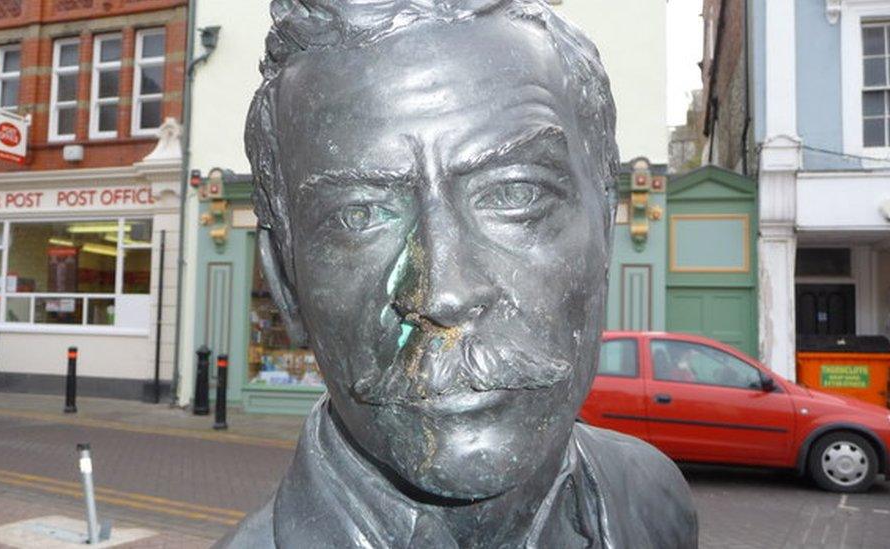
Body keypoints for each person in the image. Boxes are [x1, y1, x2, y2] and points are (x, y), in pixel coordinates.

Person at [219, 1, 698, 547]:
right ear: (285, 283)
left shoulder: (652, 496)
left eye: (516, 193)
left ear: (605, 229)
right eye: (359, 215)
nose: (444, 293)